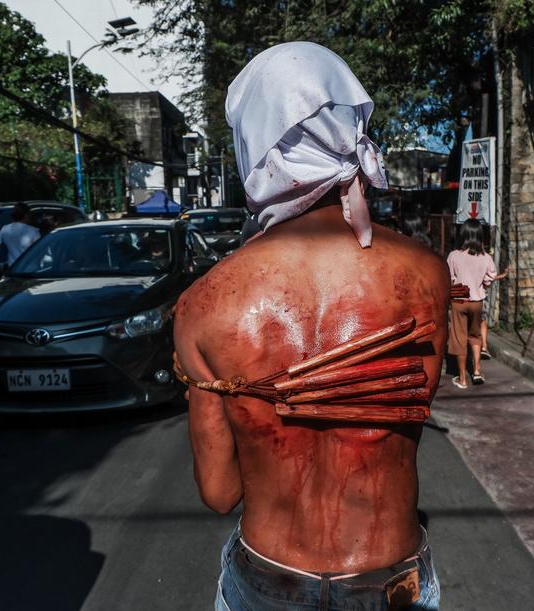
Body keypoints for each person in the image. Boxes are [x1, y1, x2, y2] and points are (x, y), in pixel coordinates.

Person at [174, 42, 448, 610]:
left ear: (254, 145)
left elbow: (220, 493)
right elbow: (403, 411)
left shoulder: (204, 303)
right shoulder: (424, 273)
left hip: (268, 580)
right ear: (348, 125)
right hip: (389, 579)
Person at [446, 219, 497, 388]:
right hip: (477, 300)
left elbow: (449, 278)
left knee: (459, 338)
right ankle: (476, 370)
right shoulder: (485, 257)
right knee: (475, 336)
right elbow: (490, 279)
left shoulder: (453, 255)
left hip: (458, 300)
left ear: (463, 235)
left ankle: (462, 379)